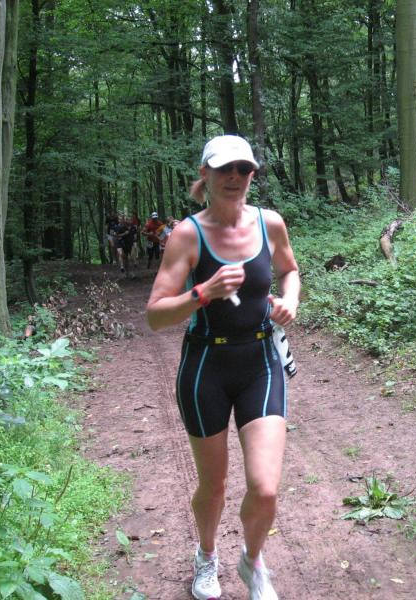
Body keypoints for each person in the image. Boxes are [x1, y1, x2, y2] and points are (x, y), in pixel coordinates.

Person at [146, 135, 300, 600]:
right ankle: (207, 555)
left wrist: (290, 300)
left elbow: (290, 270)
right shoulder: (188, 234)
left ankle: (252, 562)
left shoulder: (270, 223)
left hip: (261, 362)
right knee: (213, 486)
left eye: (244, 169)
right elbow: (155, 315)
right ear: (205, 175)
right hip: (205, 368)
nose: (235, 177)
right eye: (224, 169)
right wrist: (203, 292)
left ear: (252, 174)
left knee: (266, 488)